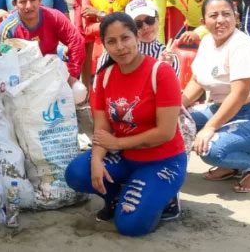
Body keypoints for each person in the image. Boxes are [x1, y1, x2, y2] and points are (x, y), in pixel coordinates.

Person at [64, 13, 186, 236]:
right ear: (105, 45)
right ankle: (117, 196)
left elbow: (166, 133)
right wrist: (97, 160)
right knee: (77, 173)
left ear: (137, 36)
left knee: (131, 226)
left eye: (125, 38)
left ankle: (167, 198)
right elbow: (102, 129)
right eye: (111, 41)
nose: (120, 47)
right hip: (124, 156)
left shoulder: (161, 72)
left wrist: (117, 142)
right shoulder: (103, 77)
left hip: (162, 161)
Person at [182, 0, 250, 193]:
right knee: (179, 122)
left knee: (210, 150)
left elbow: (239, 95)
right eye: (214, 15)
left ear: (236, 17)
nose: (221, 20)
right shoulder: (206, 42)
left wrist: (209, 128)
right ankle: (232, 164)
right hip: (224, 108)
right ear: (203, 22)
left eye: (226, 14)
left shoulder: (241, 45)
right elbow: (197, 80)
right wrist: (178, 107)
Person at [0, 0, 84, 84]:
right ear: (14, 4)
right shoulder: (7, 28)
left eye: (32, 0)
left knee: (79, 91)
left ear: (40, 0)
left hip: (51, 68)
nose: (28, 6)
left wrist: (73, 75)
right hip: (22, 75)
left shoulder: (55, 17)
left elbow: (77, 41)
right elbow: (4, 61)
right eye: (23, 2)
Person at [79, 0, 142, 85]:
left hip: (128, 51)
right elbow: (88, 30)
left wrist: (99, 14)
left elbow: (134, 26)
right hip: (99, 54)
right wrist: (120, 19)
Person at [96, 0, 180, 76]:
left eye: (149, 20)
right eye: (138, 24)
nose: (145, 27)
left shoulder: (170, 58)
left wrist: (165, 70)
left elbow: (171, 91)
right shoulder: (115, 53)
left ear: (158, 20)